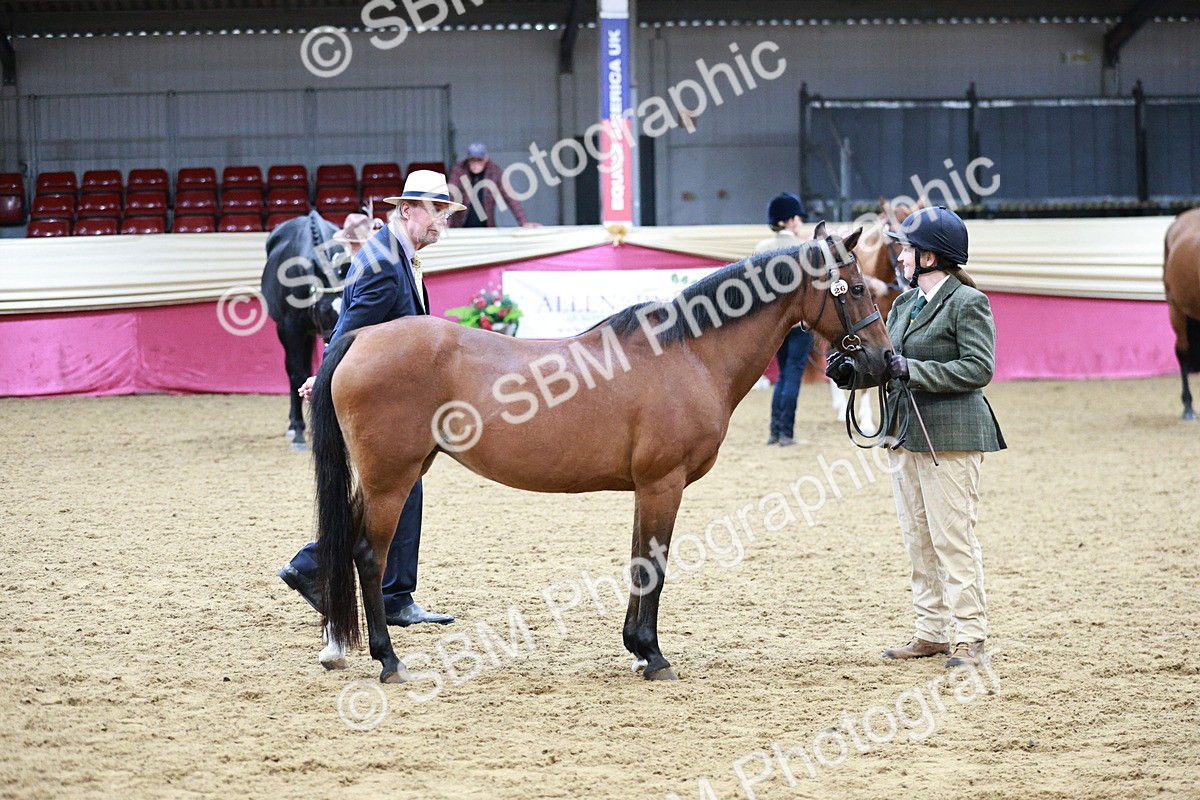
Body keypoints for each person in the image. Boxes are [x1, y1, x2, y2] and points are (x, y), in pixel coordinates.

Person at [280, 170, 466, 628]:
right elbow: (352, 328)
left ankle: (393, 593)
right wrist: (325, 376)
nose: (442, 221)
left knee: (401, 489)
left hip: (397, 399)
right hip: (383, 402)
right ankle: (313, 566)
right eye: (436, 211)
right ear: (408, 209)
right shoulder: (385, 263)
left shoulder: (396, 254)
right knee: (390, 491)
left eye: (445, 212)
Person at [879, 206, 1006, 669]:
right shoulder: (902, 305)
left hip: (951, 435)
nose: (901, 257)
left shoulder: (968, 302)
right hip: (905, 435)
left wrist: (915, 369)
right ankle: (931, 631)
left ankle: (971, 637)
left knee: (952, 538)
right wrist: (854, 372)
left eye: (907, 250)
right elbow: (890, 364)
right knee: (918, 538)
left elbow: (978, 368)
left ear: (930, 257)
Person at [753, 192, 815, 446]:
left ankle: (774, 431)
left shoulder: (761, 249)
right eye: (798, 217)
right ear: (789, 220)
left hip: (774, 325)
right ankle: (786, 433)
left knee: (781, 375)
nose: (800, 222)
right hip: (800, 323)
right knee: (792, 374)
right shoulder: (804, 249)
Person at [447, 142, 541, 228]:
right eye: (472, 160)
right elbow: (451, 196)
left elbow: (510, 196)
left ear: (486, 158)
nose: (476, 164)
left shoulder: (495, 171)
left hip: (486, 227)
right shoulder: (458, 170)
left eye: (479, 160)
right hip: (460, 226)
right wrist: (445, 221)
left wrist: (523, 222)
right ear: (468, 160)